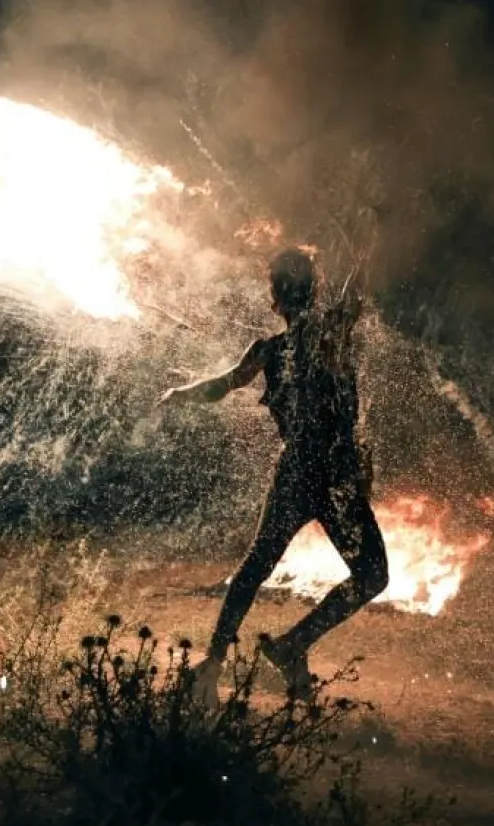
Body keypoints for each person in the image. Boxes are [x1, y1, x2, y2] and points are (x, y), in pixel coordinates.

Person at [157, 247, 388, 702]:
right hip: (324, 475)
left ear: (274, 303)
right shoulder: (323, 336)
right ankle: (270, 650)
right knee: (367, 575)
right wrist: (365, 243)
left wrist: (180, 394)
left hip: (311, 473)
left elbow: (223, 385)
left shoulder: (290, 345)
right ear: (311, 292)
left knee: (258, 567)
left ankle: (236, 656)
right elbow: (355, 294)